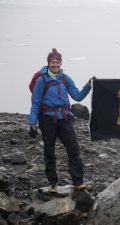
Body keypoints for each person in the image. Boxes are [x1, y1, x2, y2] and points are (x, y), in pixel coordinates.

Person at [29, 48, 93, 193]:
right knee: (49, 151)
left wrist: (88, 86)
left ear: (61, 63)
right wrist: (32, 123)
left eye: (57, 62)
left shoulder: (65, 78)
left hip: (64, 118)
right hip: (47, 119)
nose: (55, 65)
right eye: (53, 62)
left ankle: (78, 182)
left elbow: (77, 96)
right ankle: (52, 184)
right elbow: (36, 102)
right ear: (48, 63)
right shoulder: (41, 80)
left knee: (74, 149)